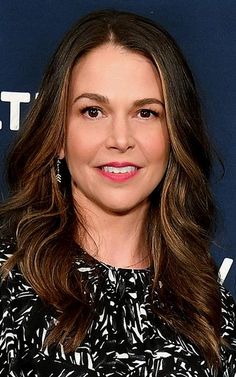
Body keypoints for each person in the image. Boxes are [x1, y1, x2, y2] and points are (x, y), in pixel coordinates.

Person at [0, 8, 235, 377]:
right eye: (94, 111)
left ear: (173, 135)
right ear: (58, 134)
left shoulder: (209, 308)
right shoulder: (7, 281)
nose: (121, 140)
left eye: (146, 113)